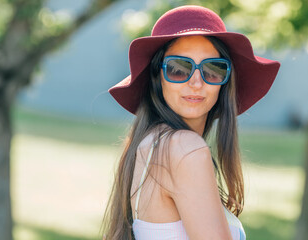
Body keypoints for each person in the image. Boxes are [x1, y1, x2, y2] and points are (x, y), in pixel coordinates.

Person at [101, 5, 280, 240]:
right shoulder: (184, 148)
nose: (196, 82)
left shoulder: (148, 144)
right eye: (178, 68)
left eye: (213, 69)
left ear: (224, 81)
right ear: (157, 77)